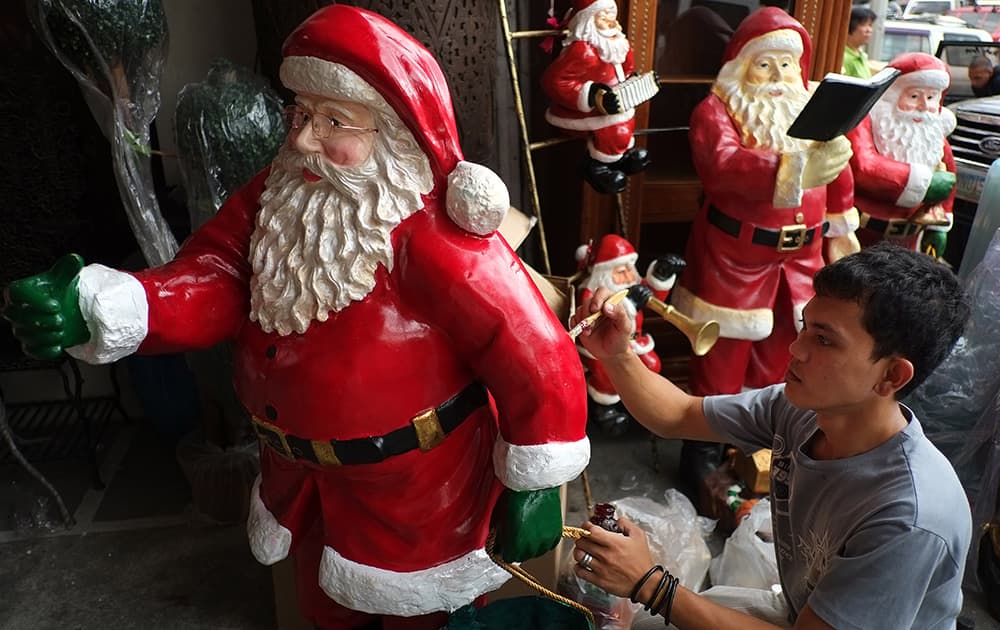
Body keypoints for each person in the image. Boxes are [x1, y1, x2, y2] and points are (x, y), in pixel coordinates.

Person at [1, 6, 590, 630]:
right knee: (322, 611)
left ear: (391, 134)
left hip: (420, 498)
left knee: (419, 621)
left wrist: (535, 481)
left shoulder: (435, 237)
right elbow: (212, 277)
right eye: (301, 114)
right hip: (303, 487)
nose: (305, 139)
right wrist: (103, 304)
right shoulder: (274, 196)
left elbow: (531, 348)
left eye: (335, 120)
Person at [570, 241, 972, 629]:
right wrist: (617, 354)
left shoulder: (909, 517)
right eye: (806, 326)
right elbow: (677, 415)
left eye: (825, 339)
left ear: (891, 375)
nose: (796, 348)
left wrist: (649, 584)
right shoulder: (799, 408)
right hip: (801, 612)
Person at [668, 8, 857, 493]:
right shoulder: (715, 111)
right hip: (735, 257)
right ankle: (703, 452)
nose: (778, 77)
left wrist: (839, 229)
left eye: (787, 65)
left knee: (788, 351)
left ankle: (761, 442)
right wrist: (794, 170)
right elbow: (723, 166)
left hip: (803, 258)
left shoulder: (814, 109)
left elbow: (839, 176)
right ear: (741, 67)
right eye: (765, 65)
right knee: (723, 356)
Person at [847, 52, 957, 260]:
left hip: (910, 238)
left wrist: (939, 226)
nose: (924, 106)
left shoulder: (932, 134)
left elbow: (949, 176)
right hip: (862, 232)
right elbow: (864, 167)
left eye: (931, 97)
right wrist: (924, 183)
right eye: (914, 96)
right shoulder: (865, 123)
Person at [574, 234, 685, 435]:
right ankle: (605, 408)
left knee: (652, 365)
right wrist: (630, 304)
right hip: (601, 349)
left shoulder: (629, 285)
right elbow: (594, 320)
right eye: (620, 271)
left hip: (632, 343)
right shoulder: (590, 293)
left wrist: (661, 275)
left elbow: (651, 294)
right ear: (603, 272)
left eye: (629, 269)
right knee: (608, 377)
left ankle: (640, 404)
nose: (627, 277)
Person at [542, 0, 654, 194]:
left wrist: (635, 82)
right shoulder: (582, 51)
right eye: (603, 16)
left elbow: (625, 70)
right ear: (588, 21)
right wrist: (593, 95)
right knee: (612, 128)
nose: (611, 20)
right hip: (580, 111)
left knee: (625, 121)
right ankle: (596, 166)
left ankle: (620, 156)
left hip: (612, 103)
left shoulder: (618, 45)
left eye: (612, 14)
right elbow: (554, 82)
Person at [842, 6, 876, 79]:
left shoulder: (862, 55)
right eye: (863, 25)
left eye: (870, 25)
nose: (869, 30)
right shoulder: (842, 57)